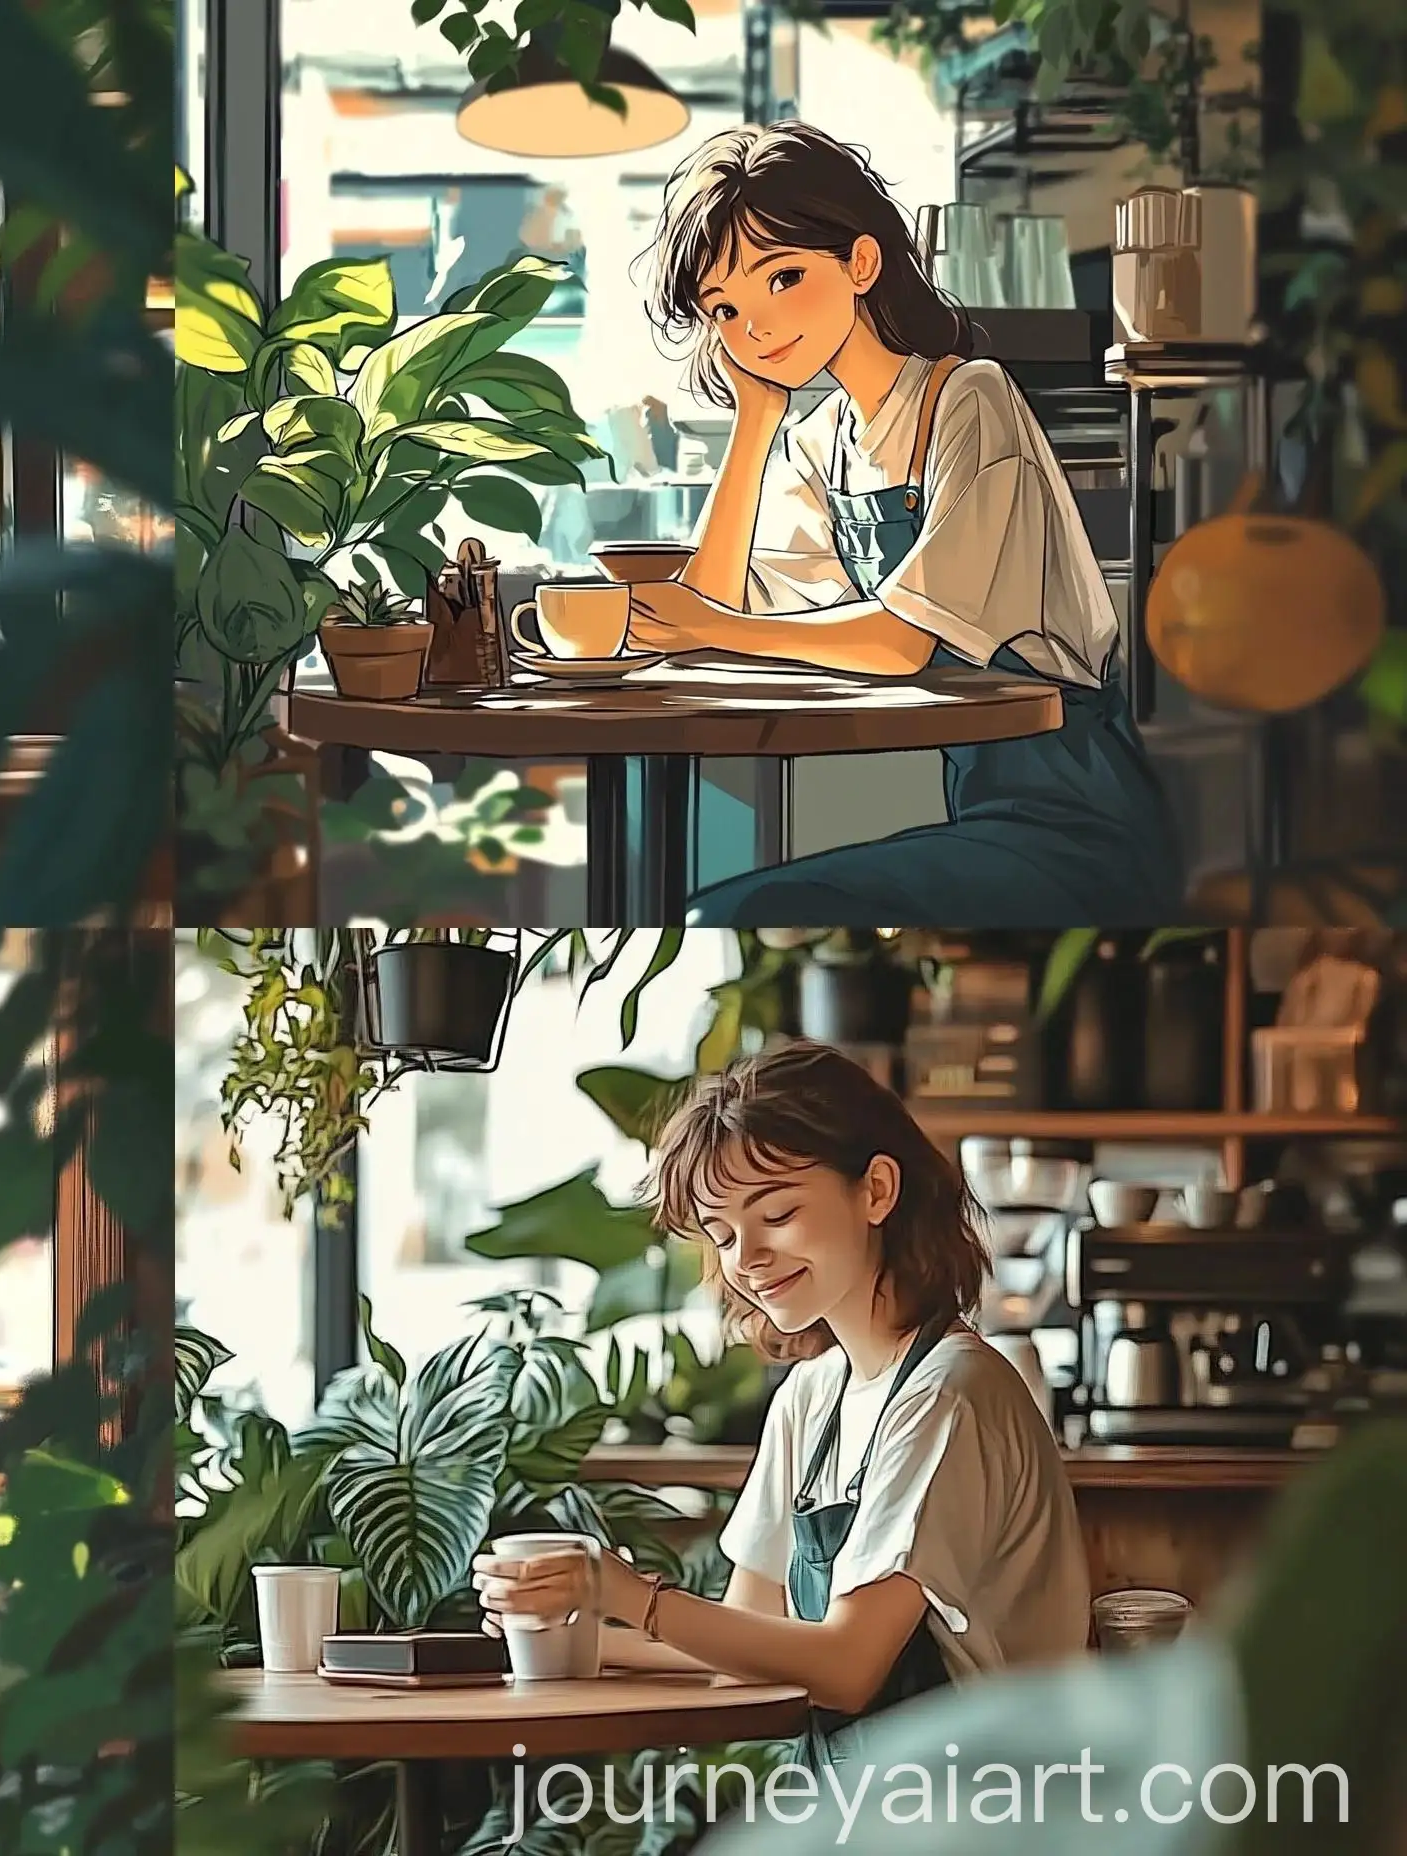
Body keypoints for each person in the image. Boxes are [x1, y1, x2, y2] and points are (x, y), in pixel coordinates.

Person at [618, 121, 1182, 925]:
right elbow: (716, 617)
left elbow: (896, 642)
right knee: (719, 905)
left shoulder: (970, 400)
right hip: (983, 815)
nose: (756, 327)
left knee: (734, 910)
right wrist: (754, 423)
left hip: (1084, 823)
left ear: (861, 262)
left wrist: (710, 624)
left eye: (781, 279)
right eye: (725, 309)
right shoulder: (824, 442)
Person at [472, 1041, 1089, 1772]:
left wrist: (628, 1593)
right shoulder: (812, 1398)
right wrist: (574, 1629)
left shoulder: (948, 1396)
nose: (746, 1258)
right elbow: (750, 1643)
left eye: (778, 1212)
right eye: (724, 1234)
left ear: (877, 1191)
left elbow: (848, 1666)